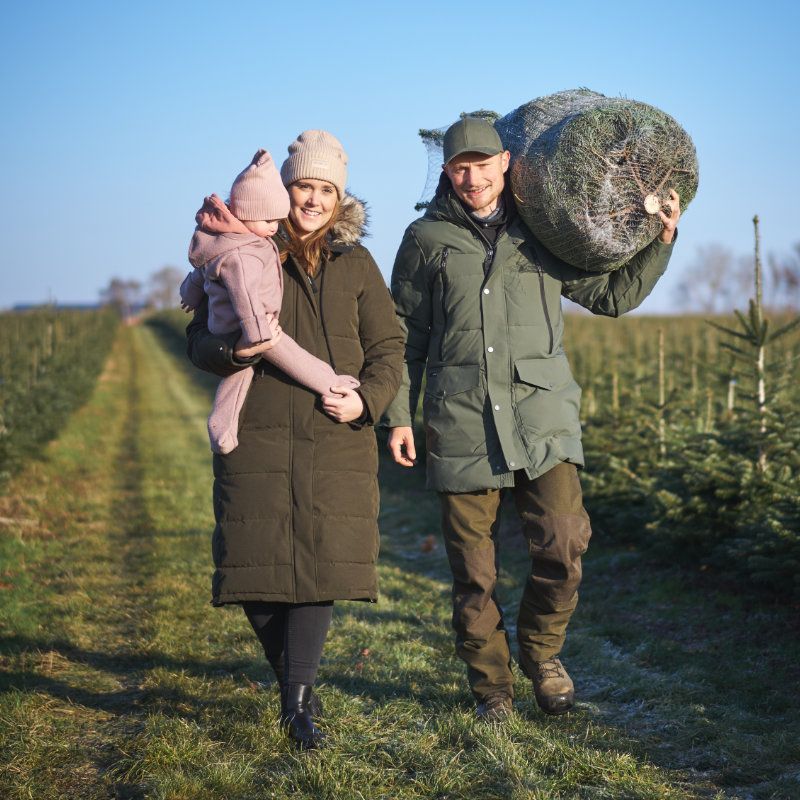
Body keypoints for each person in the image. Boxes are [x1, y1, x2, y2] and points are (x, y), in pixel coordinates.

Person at [384, 116, 680, 721]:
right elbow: (404, 334)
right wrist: (398, 417)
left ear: (506, 164)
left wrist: (662, 239)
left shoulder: (543, 231)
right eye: (460, 167)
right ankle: (492, 689)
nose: (472, 178)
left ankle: (542, 655)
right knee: (474, 572)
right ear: (447, 172)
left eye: (482, 164)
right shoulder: (426, 239)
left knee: (564, 546)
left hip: (541, 418)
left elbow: (612, 296)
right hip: (461, 421)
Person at [186, 130, 404, 749]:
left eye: (326, 190)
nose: (313, 200)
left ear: (340, 198)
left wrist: (367, 400)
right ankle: (294, 683)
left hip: (335, 435)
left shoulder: (356, 262)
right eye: (303, 186)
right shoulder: (244, 249)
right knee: (253, 568)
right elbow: (198, 339)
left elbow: (388, 345)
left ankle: (297, 705)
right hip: (256, 430)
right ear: (284, 190)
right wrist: (232, 352)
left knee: (319, 569)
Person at [180, 148, 359, 455]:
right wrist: (256, 335)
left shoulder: (227, 240)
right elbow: (245, 295)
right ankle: (331, 383)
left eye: (277, 219)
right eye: (267, 220)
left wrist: (189, 293)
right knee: (293, 356)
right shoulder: (246, 252)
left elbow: (201, 272)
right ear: (245, 214)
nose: (273, 227)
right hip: (253, 326)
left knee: (236, 382)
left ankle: (221, 429)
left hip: (234, 326)